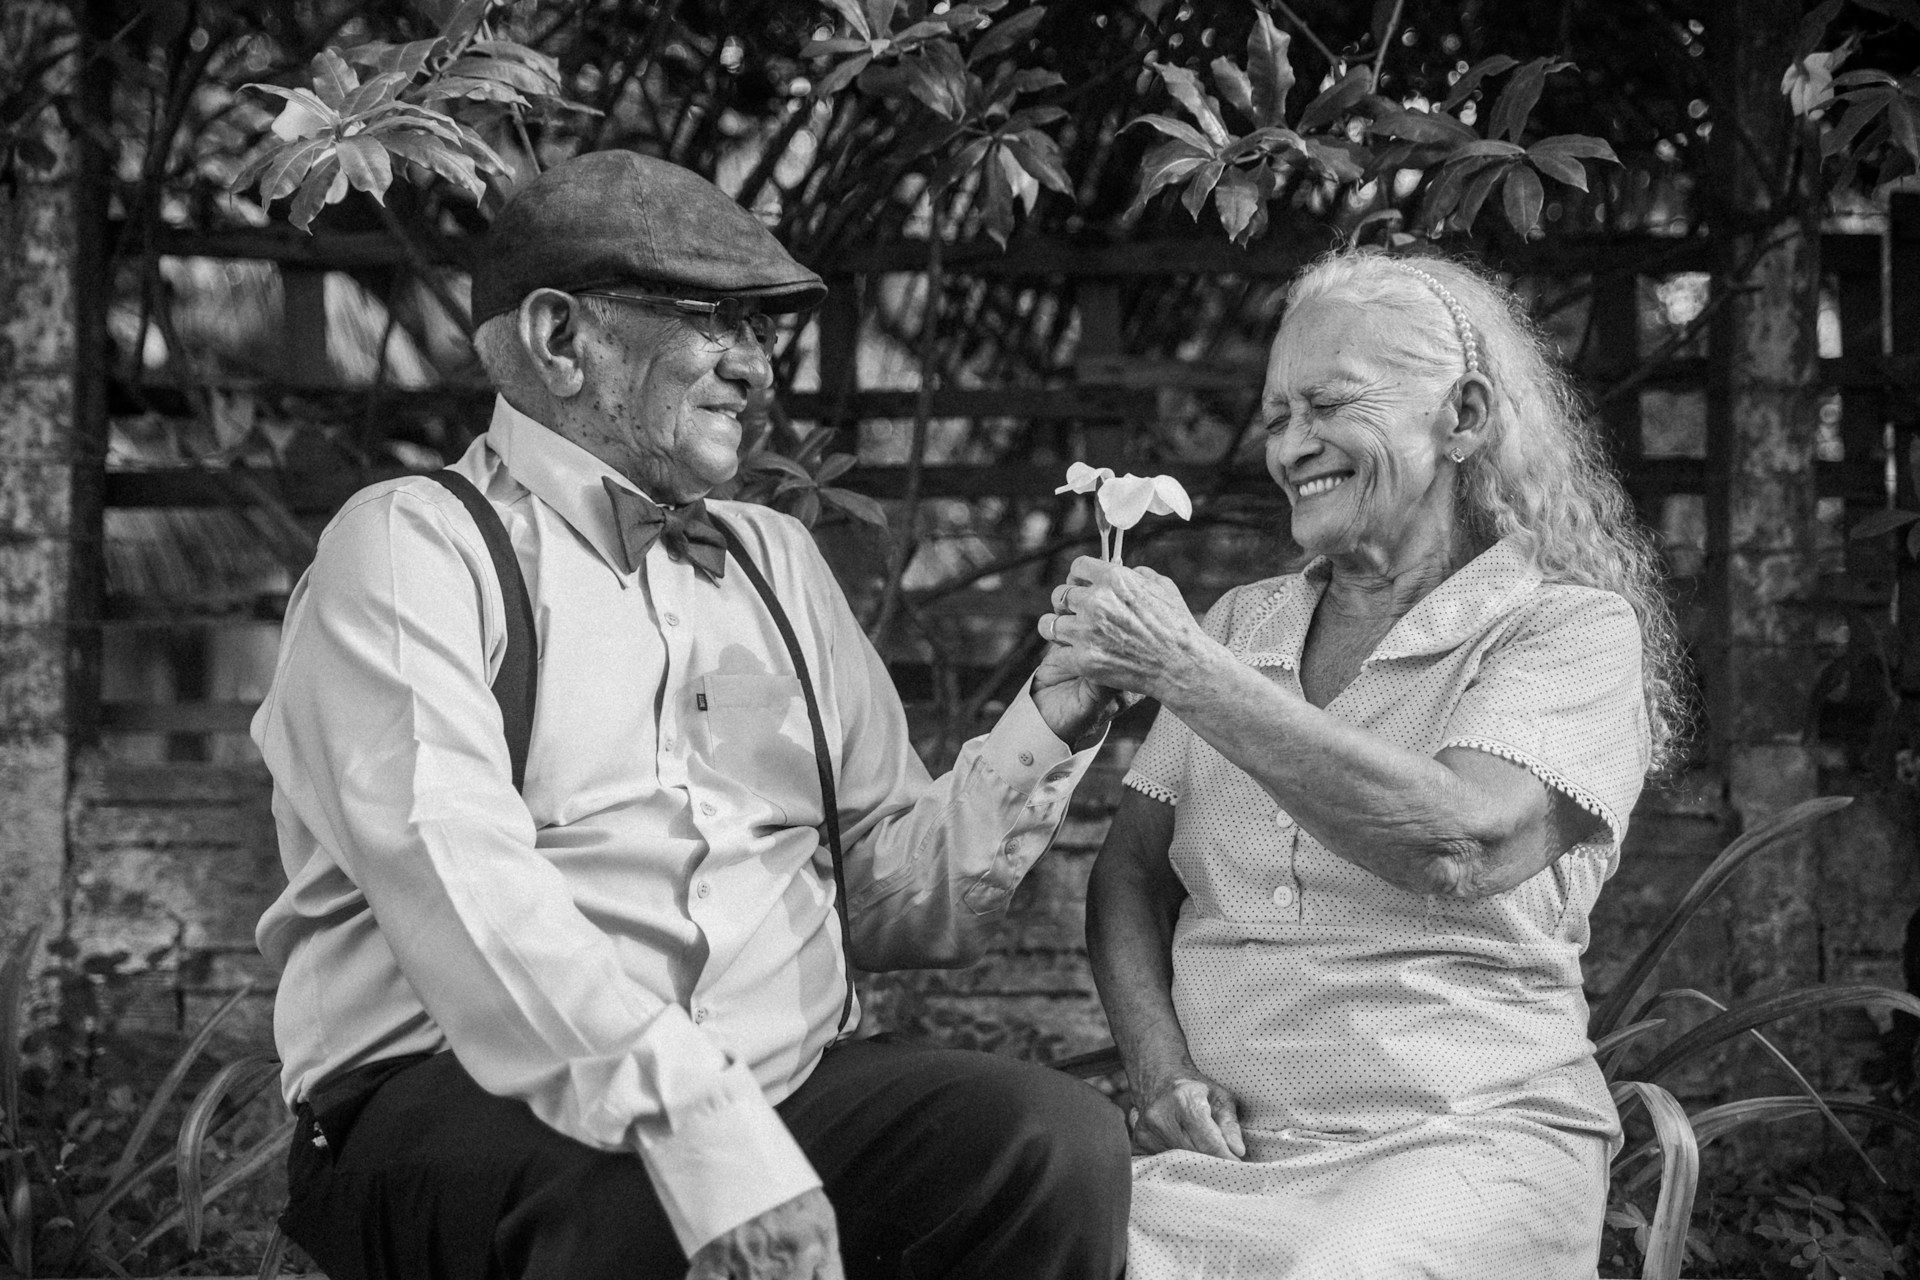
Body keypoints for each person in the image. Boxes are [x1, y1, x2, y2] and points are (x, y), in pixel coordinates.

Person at [252, 149, 1129, 1280]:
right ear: (563, 339)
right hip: (461, 1094)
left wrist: (1048, 720)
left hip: (777, 1081)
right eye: (715, 322)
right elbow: (459, 878)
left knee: (1047, 1143)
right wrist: (699, 1124)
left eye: (765, 332)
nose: (757, 368)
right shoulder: (414, 543)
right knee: (641, 1204)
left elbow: (892, 896)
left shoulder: (774, 559)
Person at [1039, 249, 1685, 1278]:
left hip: (1466, 1144)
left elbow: (1462, 840)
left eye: (1328, 404)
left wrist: (1186, 671)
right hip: (1231, 1162)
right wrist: (1158, 1066)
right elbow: (1129, 873)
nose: (1293, 446)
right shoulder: (1242, 623)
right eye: (1275, 417)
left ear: (1463, 415)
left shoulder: (1563, 629)